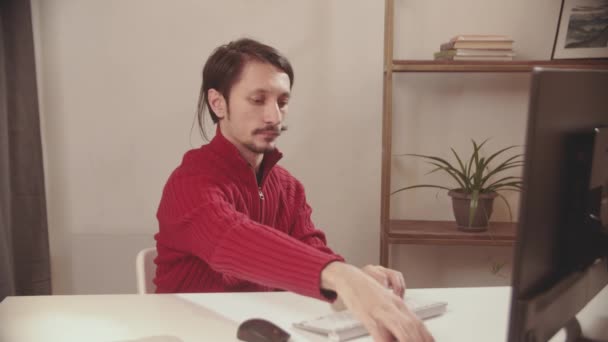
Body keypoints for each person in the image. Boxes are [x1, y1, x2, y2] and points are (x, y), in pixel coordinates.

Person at [154, 38, 434, 342]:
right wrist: (345, 278)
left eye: (282, 102)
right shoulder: (189, 183)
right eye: (258, 99)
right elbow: (231, 238)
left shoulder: (287, 187)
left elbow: (313, 255)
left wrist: (355, 281)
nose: (274, 117)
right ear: (218, 102)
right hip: (188, 333)